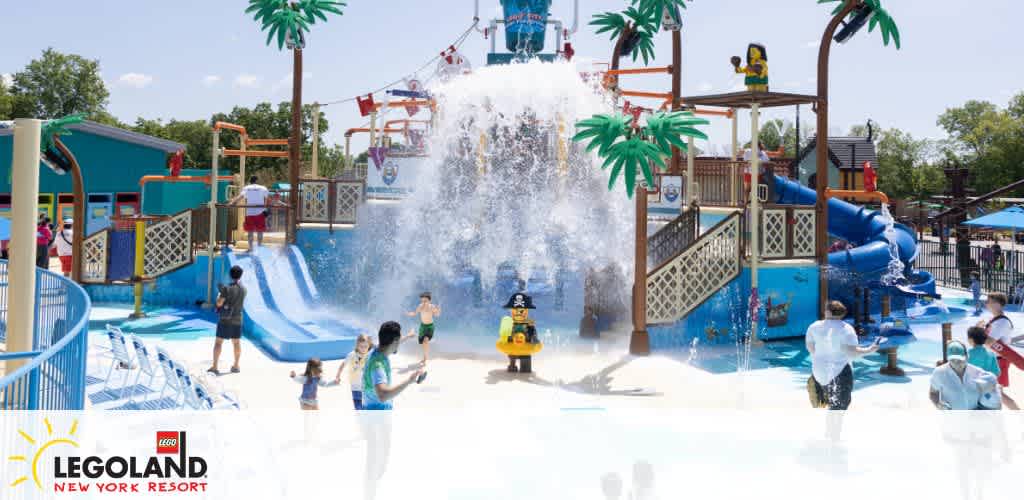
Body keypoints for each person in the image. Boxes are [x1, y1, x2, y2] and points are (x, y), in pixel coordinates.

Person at [805, 301, 883, 410]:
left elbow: (811, 349)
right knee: (838, 409)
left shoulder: (814, 326)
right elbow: (852, 352)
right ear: (842, 314)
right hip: (839, 373)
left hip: (818, 373)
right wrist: (870, 350)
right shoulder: (846, 328)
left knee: (822, 407)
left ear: (827, 311)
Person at [361, 321, 424, 411]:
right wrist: (409, 381)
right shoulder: (377, 365)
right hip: (378, 415)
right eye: (398, 340)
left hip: (371, 408)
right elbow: (383, 396)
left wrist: (408, 336)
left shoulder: (376, 350)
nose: (399, 343)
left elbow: (393, 344)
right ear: (394, 341)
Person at [930, 341, 1001, 410]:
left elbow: (993, 393)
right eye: (952, 360)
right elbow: (933, 393)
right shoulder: (939, 373)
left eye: (960, 360)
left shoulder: (978, 372)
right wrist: (938, 404)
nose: (956, 363)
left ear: (967, 356)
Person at [978, 292, 1022, 389]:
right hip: (992, 359)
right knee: (991, 392)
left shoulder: (1002, 322)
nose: (986, 304)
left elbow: (989, 342)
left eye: (988, 301)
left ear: (997, 304)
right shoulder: (993, 320)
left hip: (999, 361)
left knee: (999, 393)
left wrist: (978, 331)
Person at [209, 265, 246, 375]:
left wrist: (219, 296)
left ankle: (215, 366)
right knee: (236, 343)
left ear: (230, 275)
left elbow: (219, 303)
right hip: (238, 319)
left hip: (225, 319)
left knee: (218, 342)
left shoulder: (226, 288)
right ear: (240, 276)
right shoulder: (244, 289)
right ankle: (236, 365)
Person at [229, 175, 270, 250]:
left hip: (249, 213)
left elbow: (240, 197)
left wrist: (232, 203)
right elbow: (268, 198)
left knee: (250, 231)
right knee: (260, 231)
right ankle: (259, 247)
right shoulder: (263, 188)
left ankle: (251, 248)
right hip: (260, 212)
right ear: (257, 181)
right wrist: (266, 208)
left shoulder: (247, 188)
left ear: (250, 181)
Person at [335, 333, 373, 410]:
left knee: (368, 406)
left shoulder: (370, 355)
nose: (363, 349)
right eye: (361, 346)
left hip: (367, 385)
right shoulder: (352, 355)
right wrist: (337, 376)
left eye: (365, 346)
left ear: (369, 346)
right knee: (357, 406)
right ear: (357, 346)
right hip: (355, 384)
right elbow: (343, 365)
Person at [406, 292, 441, 364]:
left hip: (430, 326)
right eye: (422, 301)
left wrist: (439, 310)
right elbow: (415, 313)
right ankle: (425, 354)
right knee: (422, 343)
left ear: (429, 300)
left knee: (426, 340)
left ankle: (425, 358)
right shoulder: (420, 306)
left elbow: (437, 315)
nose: (423, 302)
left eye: (425, 301)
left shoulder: (432, 307)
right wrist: (410, 314)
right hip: (422, 326)